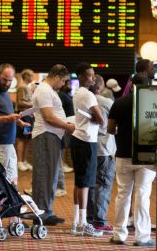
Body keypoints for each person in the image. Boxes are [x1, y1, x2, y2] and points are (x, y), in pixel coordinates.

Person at [108, 74, 156, 247]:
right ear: (147, 86)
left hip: (123, 154)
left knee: (122, 194)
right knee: (142, 194)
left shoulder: (119, 103)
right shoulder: (151, 104)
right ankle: (142, 237)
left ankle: (119, 234)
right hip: (146, 156)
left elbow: (110, 129)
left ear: (131, 84)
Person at [31, 64, 74, 225]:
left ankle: (46, 210)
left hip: (52, 136)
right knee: (44, 174)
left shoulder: (49, 90)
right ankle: (41, 213)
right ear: (56, 77)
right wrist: (68, 126)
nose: (63, 84)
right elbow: (48, 117)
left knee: (51, 175)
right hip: (45, 136)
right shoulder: (44, 90)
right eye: (63, 81)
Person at [71, 62, 104, 237]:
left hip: (77, 138)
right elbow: (102, 120)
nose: (93, 78)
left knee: (79, 181)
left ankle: (77, 222)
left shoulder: (77, 92)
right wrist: (97, 117)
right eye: (90, 75)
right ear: (82, 76)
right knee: (85, 183)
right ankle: (83, 224)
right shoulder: (89, 95)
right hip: (86, 140)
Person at [87, 75, 116, 234]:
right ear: (100, 86)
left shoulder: (83, 101)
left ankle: (90, 218)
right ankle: (100, 220)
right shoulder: (107, 102)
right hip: (105, 148)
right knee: (103, 185)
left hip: (89, 145)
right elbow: (114, 126)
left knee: (90, 183)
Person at [16, 69, 34, 172]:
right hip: (24, 115)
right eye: (31, 75)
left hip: (28, 115)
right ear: (26, 75)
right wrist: (33, 104)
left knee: (27, 139)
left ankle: (24, 160)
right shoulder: (22, 86)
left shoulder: (27, 87)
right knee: (22, 138)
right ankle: (20, 161)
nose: (32, 77)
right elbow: (20, 102)